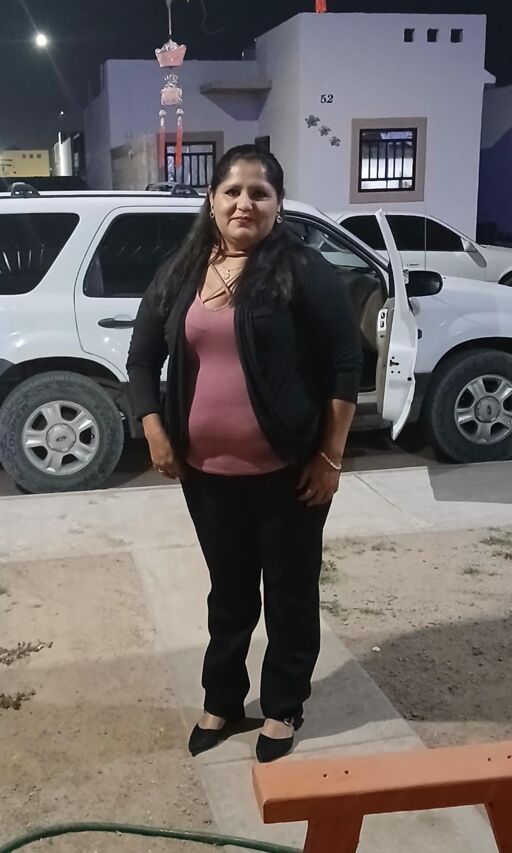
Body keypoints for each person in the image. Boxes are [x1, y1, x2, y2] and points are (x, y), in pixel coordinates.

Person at [127, 145, 362, 763]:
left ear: (278, 205)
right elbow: (142, 358)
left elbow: (346, 367)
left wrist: (329, 458)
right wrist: (154, 428)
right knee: (229, 594)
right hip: (206, 476)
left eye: (260, 193)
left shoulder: (304, 270)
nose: (244, 203)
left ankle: (283, 705)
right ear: (212, 200)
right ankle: (223, 700)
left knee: (289, 593)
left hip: (289, 473)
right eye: (232, 191)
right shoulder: (183, 270)